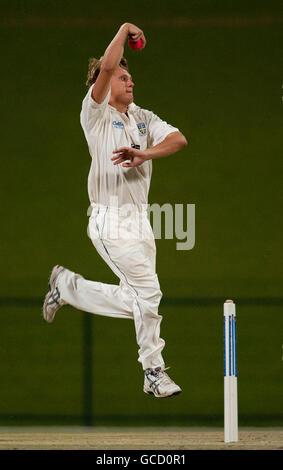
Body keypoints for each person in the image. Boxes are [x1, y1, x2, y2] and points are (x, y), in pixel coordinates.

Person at [43, 23, 187, 398]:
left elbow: (178, 140)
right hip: (110, 220)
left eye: (131, 76)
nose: (130, 82)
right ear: (106, 87)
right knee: (150, 292)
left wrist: (144, 153)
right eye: (124, 77)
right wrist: (124, 29)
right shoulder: (95, 115)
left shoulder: (143, 118)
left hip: (141, 223)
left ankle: (66, 286)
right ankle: (153, 371)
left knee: (136, 299)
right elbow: (105, 69)